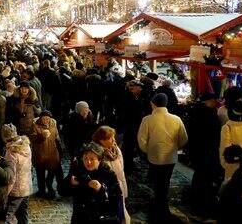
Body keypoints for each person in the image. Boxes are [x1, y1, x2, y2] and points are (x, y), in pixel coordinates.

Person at [137, 93, 188, 221]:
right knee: (166, 179)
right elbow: (183, 138)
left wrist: (147, 150)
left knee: (157, 180)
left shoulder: (147, 119)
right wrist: (176, 148)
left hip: (154, 156)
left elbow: (141, 139)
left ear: (153, 104)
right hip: (170, 156)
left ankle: (158, 203)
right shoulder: (176, 119)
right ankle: (163, 202)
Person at [66, 142, 123, 224]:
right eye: (85, 158)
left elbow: (115, 202)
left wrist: (100, 189)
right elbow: (62, 190)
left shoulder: (108, 174)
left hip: (100, 218)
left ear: (99, 160)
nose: (88, 162)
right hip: (80, 218)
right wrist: (70, 183)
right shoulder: (78, 170)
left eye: (92, 159)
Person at [187, 92, 223, 215]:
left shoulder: (198, 111)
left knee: (200, 175)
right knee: (204, 176)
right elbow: (211, 133)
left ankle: (196, 199)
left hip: (199, 150)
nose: (215, 103)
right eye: (213, 101)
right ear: (207, 101)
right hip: (206, 150)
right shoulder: (207, 114)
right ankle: (201, 202)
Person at [93, 126, 129, 224]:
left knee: (122, 214)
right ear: (102, 140)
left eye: (113, 137)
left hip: (119, 186)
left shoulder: (115, 149)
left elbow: (121, 169)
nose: (114, 140)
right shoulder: (96, 154)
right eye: (110, 138)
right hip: (107, 191)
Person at [1, 124, 32, 224]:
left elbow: (11, 175)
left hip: (16, 190)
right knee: (23, 215)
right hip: (26, 186)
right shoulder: (26, 145)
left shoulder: (11, 152)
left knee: (7, 216)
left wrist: (5, 192)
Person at [32, 110, 63, 198]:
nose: (46, 120)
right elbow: (33, 139)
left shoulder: (53, 124)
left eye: (48, 119)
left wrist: (60, 148)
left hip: (52, 154)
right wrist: (42, 136)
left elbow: (57, 137)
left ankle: (50, 189)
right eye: (44, 118)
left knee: (52, 173)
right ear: (40, 118)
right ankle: (41, 191)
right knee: (40, 174)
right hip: (40, 154)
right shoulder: (35, 126)